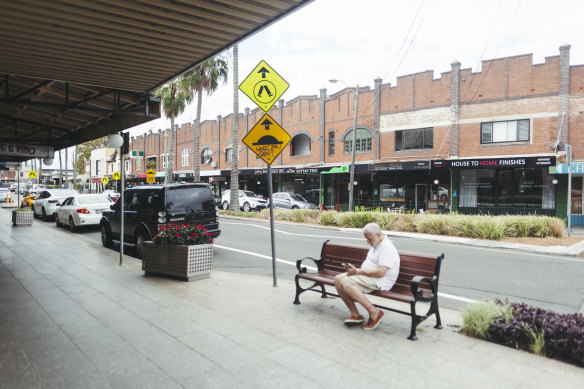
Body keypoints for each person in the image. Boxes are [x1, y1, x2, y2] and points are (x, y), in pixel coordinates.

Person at [333, 222, 400, 330]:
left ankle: (374, 312)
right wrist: (356, 271)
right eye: (366, 239)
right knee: (337, 279)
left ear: (378, 235)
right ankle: (355, 315)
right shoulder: (376, 244)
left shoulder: (386, 247)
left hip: (380, 280)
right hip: (367, 276)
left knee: (346, 282)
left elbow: (381, 272)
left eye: (369, 239)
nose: (368, 242)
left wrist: (358, 272)